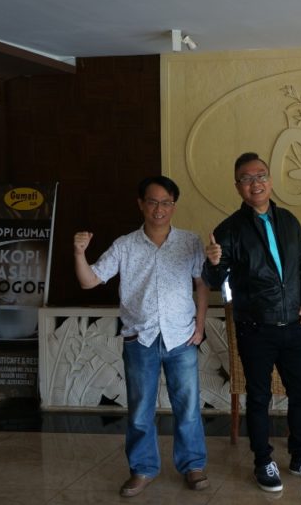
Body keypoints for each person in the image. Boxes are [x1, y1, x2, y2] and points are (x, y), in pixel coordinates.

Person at [73, 176, 210, 498]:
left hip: (181, 338)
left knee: (188, 408)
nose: (159, 209)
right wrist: (79, 253)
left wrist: (200, 325)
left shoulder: (190, 242)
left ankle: (193, 465)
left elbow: (202, 284)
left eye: (166, 203)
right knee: (139, 411)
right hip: (140, 339)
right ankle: (142, 469)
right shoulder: (125, 245)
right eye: (152, 202)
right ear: (141, 204)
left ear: (174, 206)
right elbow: (89, 281)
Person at [202, 152, 301, 492]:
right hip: (255, 328)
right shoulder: (229, 229)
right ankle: (263, 462)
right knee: (259, 397)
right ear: (238, 186)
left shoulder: (288, 220)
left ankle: (300, 457)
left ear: (270, 181)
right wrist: (213, 262)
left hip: (291, 325)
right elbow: (217, 281)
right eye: (246, 178)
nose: (255, 183)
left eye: (260, 176)